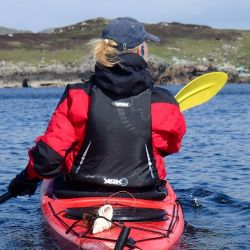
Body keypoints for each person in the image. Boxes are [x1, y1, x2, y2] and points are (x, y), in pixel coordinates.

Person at [8, 17, 186, 200]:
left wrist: (25, 179)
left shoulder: (76, 97)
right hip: (145, 195)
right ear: (141, 49)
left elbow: (48, 158)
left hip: (78, 193)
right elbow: (171, 146)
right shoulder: (163, 102)